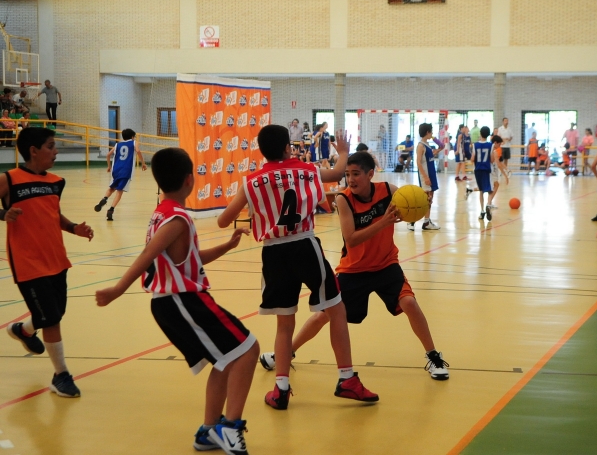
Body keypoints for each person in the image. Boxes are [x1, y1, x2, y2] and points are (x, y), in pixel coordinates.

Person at [95, 148, 259, 454]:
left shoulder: (163, 212)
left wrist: (227, 246)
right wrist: (118, 289)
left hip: (176, 301)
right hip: (180, 300)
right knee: (248, 350)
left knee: (226, 359)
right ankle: (230, 428)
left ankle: (208, 431)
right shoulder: (177, 218)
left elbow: (189, 259)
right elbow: (148, 254)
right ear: (189, 180)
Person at [216, 125, 378, 410]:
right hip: (304, 245)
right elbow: (337, 173)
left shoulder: (252, 182)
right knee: (336, 309)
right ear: (287, 148)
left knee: (284, 323)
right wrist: (342, 152)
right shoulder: (305, 170)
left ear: (262, 151)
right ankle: (346, 379)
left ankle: (281, 389)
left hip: (273, 252)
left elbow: (222, 220)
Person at [257, 151, 450, 381]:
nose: (350, 179)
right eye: (347, 174)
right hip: (353, 270)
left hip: (386, 264)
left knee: (409, 302)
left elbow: (410, 205)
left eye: (356, 174)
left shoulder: (388, 190)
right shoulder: (344, 199)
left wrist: (421, 203)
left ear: (370, 174)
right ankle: (284, 354)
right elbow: (351, 239)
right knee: (323, 315)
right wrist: (384, 222)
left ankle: (433, 356)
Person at [2, 127, 94, 398]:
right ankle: (60, 375)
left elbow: (54, 214)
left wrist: (74, 227)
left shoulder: (56, 181)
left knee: (54, 313)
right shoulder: (9, 179)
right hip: (28, 262)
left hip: (55, 258)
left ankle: (24, 330)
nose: (56, 152)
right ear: (34, 151)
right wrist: (3, 214)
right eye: (51, 146)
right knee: (51, 318)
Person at [93, 128, 147, 221]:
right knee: (119, 191)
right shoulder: (134, 142)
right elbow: (138, 151)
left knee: (111, 187)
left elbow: (108, 155)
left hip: (116, 169)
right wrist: (143, 163)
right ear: (132, 137)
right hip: (126, 170)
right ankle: (111, 210)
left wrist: (109, 167)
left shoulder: (117, 144)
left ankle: (105, 198)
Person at [410, 123, 440, 231]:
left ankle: (426, 222)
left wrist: (438, 150)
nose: (432, 134)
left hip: (431, 174)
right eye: (431, 132)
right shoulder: (421, 146)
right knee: (424, 200)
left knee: (429, 199)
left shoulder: (427, 145)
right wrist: (425, 177)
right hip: (426, 175)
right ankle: (411, 220)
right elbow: (418, 162)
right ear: (427, 132)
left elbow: (428, 158)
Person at [469, 126, 494, 221]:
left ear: (480, 133)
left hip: (478, 170)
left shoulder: (475, 145)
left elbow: (472, 159)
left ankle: (482, 211)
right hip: (487, 170)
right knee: (490, 191)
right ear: (488, 135)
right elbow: (492, 160)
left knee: (481, 190)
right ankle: (488, 205)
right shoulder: (491, 145)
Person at [487, 135, 509, 208]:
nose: (499, 146)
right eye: (499, 144)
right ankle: (489, 203)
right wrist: (505, 176)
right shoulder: (494, 151)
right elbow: (498, 164)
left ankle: (489, 203)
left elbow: (499, 163)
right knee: (494, 186)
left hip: (487, 169)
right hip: (492, 171)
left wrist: (506, 168)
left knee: (492, 186)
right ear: (495, 143)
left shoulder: (488, 148)